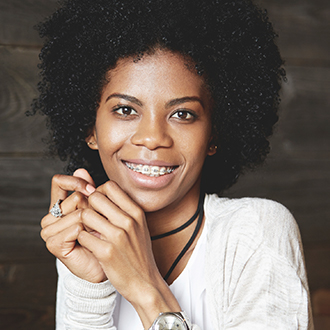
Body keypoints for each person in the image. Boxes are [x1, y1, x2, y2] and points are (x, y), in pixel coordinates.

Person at [31, 0, 314, 328]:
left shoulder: (257, 232)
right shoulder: (90, 241)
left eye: (182, 114)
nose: (152, 138)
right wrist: (89, 285)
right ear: (89, 128)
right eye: (125, 110)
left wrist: (146, 289)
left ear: (213, 135)